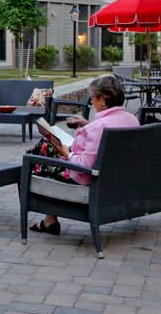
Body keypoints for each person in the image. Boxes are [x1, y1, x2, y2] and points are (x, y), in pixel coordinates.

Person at [28, 74, 139, 235]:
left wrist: (66, 153)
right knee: (47, 146)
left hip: (90, 179)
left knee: (38, 158)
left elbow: (83, 165)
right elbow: (106, 133)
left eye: (93, 97)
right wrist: (88, 125)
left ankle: (47, 217)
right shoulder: (131, 119)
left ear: (104, 99)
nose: (92, 102)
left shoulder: (99, 127)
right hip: (117, 177)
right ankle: (49, 219)